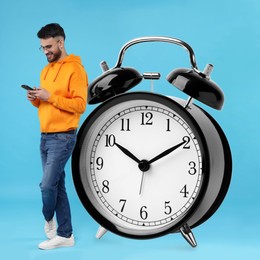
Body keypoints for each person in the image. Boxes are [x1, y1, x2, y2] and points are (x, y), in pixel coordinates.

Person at [27, 23, 88, 250]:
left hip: (63, 137)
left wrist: (50, 96)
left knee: (47, 186)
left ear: (61, 42)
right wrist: (36, 98)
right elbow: (48, 104)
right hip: (45, 137)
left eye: (49, 46)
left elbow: (80, 105)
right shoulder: (46, 70)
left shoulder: (76, 70)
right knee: (57, 186)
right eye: (42, 47)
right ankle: (66, 235)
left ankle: (49, 220)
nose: (45, 51)